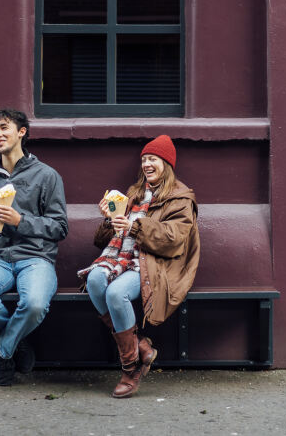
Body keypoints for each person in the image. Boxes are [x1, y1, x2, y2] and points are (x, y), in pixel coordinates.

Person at [78, 134, 200, 398]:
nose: (147, 164)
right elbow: (104, 241)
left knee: (115, 293)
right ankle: (139, 346)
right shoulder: (133, 194)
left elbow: (174, 239)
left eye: (153, 159)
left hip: (155, 264)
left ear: (166, 163)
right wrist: (110, 219)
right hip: (120, 258)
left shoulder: (180, 198)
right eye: (144, 159)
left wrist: (134, 227)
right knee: (95, 280)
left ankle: (130, 367)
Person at [0, 109, 68, 386]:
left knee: (34, 303)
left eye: (4, 128)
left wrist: (22, 221)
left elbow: (60, 227)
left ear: (21, 132)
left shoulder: (46, 175)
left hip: (36, 257)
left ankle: (4, 350)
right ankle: (18, 345)